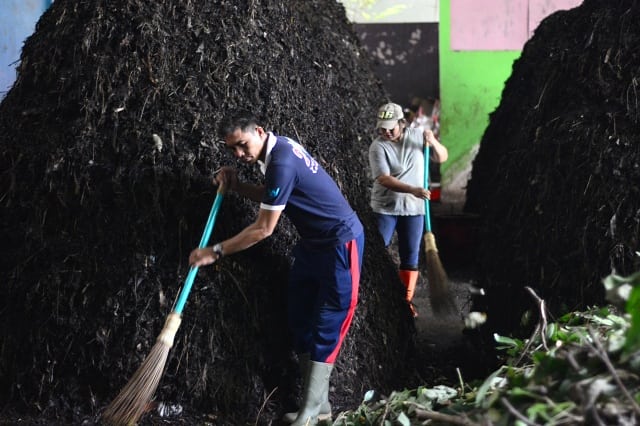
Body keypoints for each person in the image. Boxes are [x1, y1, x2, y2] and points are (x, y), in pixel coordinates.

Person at [189, 113, 365, 426]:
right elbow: (275, 193)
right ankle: (319, 405)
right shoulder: (278, 150)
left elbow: (263, 228)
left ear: (258, 131)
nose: (239, 155)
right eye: (232, 151)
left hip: (340, 242)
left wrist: (215, 251)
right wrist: (238, 186)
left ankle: (311, 413)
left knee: (329, 321)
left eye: (242, 145)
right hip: (313, 245)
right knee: (300, 313)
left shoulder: (282, 161)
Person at [368, 102, 448, 317]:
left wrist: (433, 142)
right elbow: (384, 178)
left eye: (391, 128)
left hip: (414, 209)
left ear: (402, 123)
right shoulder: (378, 146)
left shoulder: (418, 136)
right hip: (386, 207)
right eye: (382, 128)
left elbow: (442, 157)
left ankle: (406, 301)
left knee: (410, 256)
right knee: (377, 249)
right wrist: (412, 189)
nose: (386, 132)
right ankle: (373, 294)